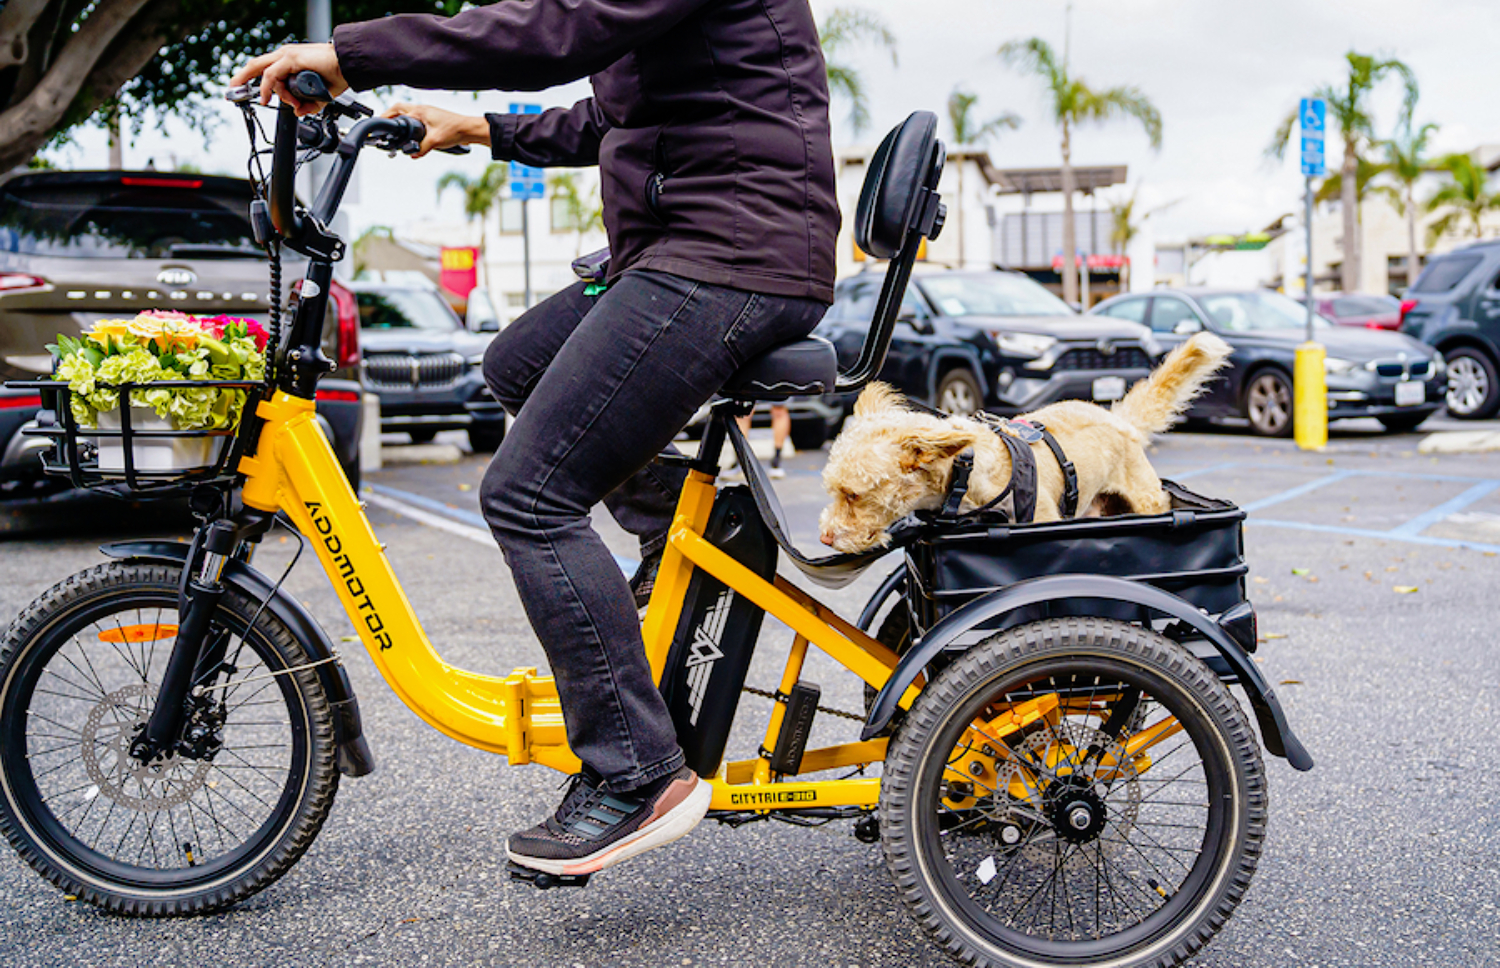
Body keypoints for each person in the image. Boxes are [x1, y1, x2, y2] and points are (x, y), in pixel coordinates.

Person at [233, 0, 838, 876]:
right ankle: (688, 530)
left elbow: (558, 33)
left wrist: (349, 54)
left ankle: (637, 772)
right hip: (697, 248)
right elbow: (611, 114)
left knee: (527, 495)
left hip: (732, 257)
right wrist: (476, 128)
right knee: (515, 362)